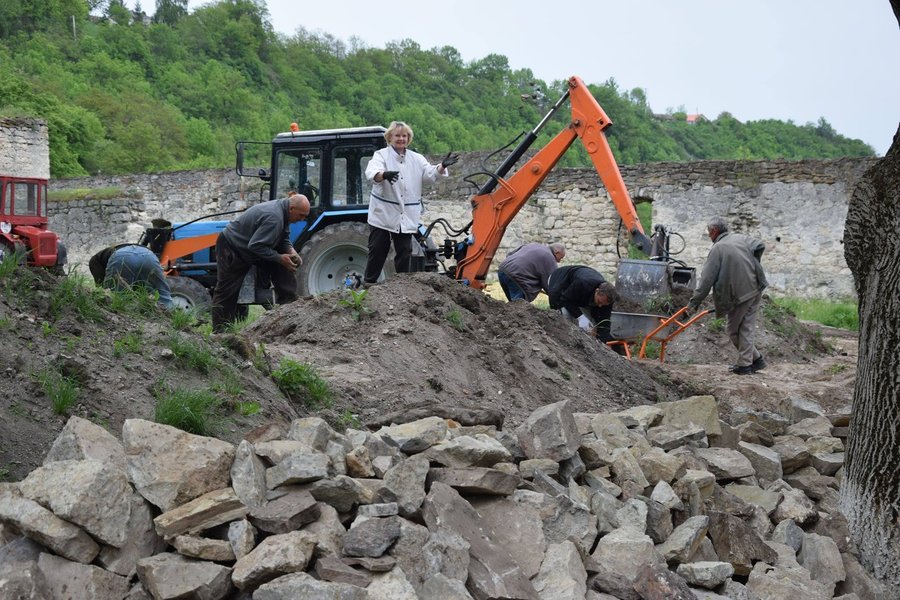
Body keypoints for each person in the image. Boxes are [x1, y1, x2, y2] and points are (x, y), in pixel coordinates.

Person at [363, 121, 458, 284]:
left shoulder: (416, 158)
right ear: (390, 137)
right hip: (383, 213)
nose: (401, 139)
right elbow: (371, 172)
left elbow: (429, 175)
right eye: (397, 135)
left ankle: (403, 285)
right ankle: (369, 283)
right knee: (378, 248)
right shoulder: (381, 155)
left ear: (409, 138)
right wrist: (384, 175)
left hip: (406, 214)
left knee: (405, 250)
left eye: (404, 136)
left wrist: (441, 166)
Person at [211, 194, 311, 332]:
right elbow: (255, 246)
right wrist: (279, 258)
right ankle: (220, 332)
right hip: (232, 246)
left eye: (305, 216)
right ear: (291, 208)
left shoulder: (284, 213)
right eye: (301, 215)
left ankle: (289, 304)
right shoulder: (274, 217)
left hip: (250, 247)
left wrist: (291, 251)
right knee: (227, 291)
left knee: (283, 263)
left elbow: (283, 238)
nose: (302, 219)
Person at [687, 216, 768, 375]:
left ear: (714, 231)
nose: (708, 235)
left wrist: (693, 303)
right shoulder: (740, 238)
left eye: (709, 232)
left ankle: (748, 364)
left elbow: (706, 280)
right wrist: (753, 266)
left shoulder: (718, 248)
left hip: (741, 293)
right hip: (756, 287)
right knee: (746, 327)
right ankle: (754, 361)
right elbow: (760, 245)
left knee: (732, 329)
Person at [89, 244, 175, 310]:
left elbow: (101, 289)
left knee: (113, 296)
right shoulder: (100, 258)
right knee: (163, 294)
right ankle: (171, 316)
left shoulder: (95, 261)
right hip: (149, 256)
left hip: (121, 256)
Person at [547, 265, 619, 343]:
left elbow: (604, 321)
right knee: (565, 315)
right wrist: (580, 317)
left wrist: (602, 342)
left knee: (590, 321)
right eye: (599, 302)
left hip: (581, 292)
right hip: (559, 279)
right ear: (597, 291)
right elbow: (565, 300)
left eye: (603, 305)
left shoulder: (608, 298)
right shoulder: (583, 283)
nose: (600, 306)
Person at [497, 242, 566, 302]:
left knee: (512, 305)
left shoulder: (533, 244)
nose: (559, 261)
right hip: (517, 277)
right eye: (561, 258)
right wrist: (557, 296)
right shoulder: (550, 258)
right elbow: (550, 283)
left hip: (503, 270)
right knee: (519, 306)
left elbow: (509, 254)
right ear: (557, 252)